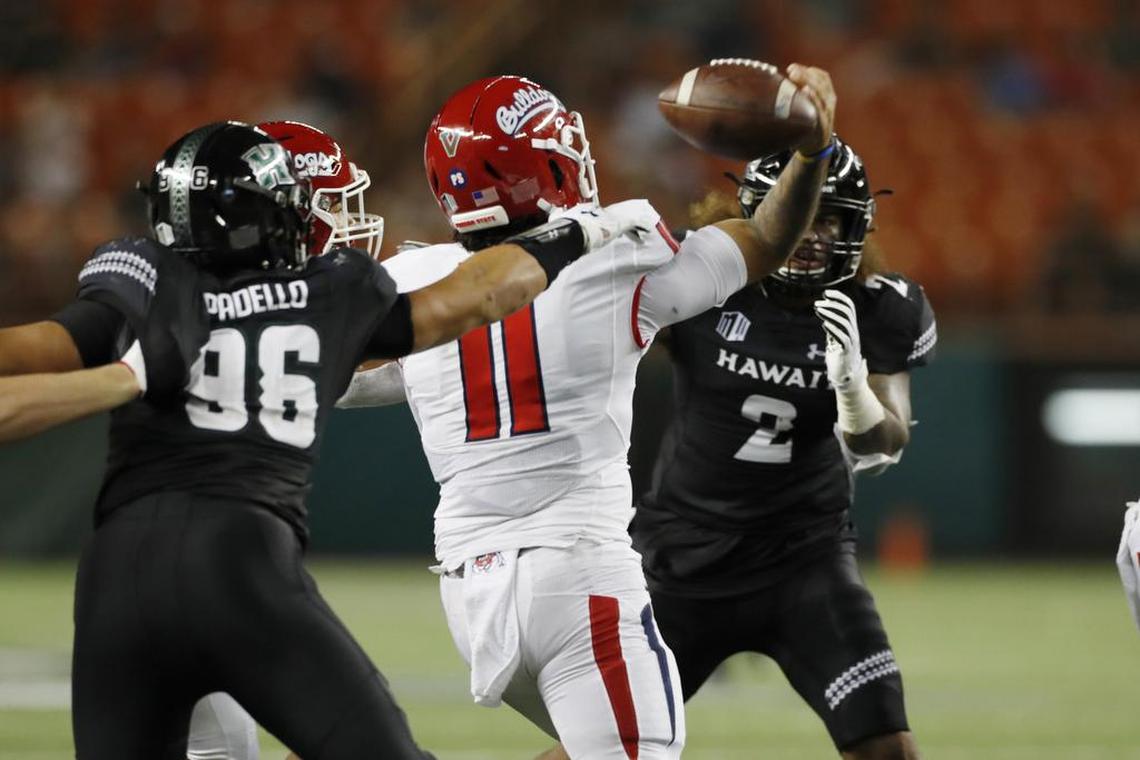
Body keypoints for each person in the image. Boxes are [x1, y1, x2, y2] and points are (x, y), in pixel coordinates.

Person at [0, 120, 651, 759]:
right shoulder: (329, 291)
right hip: (237, 565)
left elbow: (37, 353)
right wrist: (577, 234)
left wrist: (121, 380)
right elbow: (475, 297)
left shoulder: (145, 278)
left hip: (117, 575)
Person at [334, 64, 837, 759]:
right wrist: (813, 154)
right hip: (576, 576)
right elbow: (765, 241)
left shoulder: (413, 282)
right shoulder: (612, 255)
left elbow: (353, 381)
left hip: (473, 592)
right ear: (541, 165)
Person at [625, 139, 934, 760]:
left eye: (830, 217)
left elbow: (888, 437)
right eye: (801, 212)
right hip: (684, 561)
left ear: (856, 225)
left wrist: (854, 394)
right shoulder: (699, 276)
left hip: (804, 560)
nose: (813, 234)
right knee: (607, 749)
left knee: (886, 747)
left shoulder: (879, 306)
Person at [183, 119, 387, 760]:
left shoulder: (175, 291)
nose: (348, 222)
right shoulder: (275, 311)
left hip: (150, 575)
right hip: (221, 580)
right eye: (329, 204)